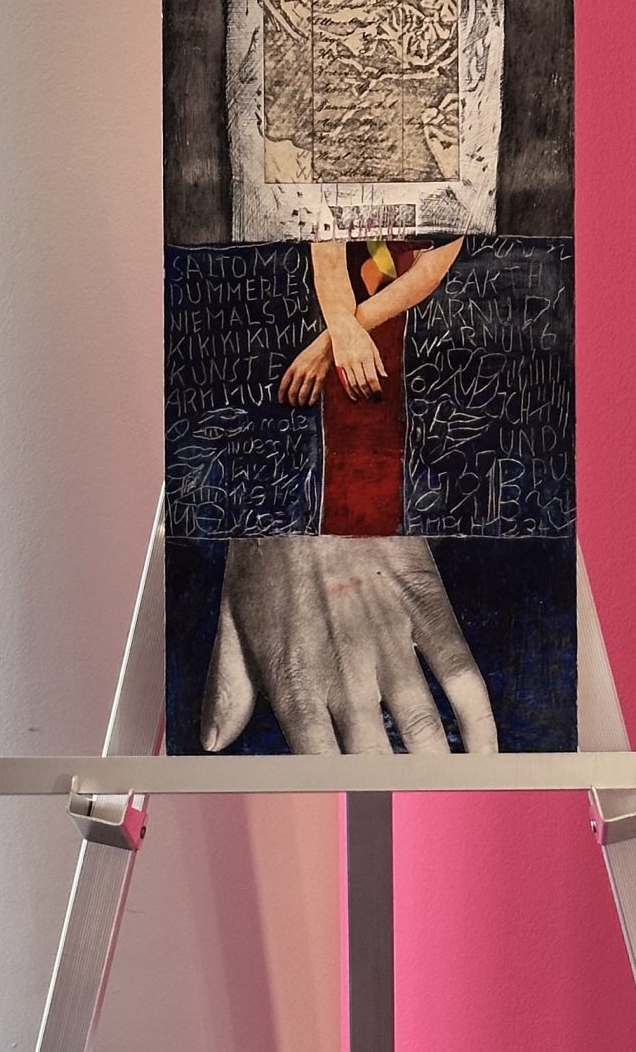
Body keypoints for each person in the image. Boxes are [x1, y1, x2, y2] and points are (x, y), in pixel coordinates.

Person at [199, 237, 500, 756]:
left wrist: (334, 338)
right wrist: (283, 534)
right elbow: (325, 247)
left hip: (446, 480)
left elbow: (432, 267)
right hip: (279, 474)